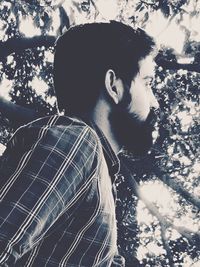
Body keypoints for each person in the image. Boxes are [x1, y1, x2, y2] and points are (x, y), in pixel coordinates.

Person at [0, 21, 159, 266]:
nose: (154, 102)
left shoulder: (98, 176)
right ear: (113, 86)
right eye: (148, 83)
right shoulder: (79, 144)